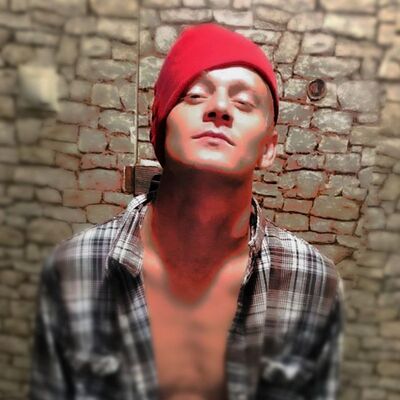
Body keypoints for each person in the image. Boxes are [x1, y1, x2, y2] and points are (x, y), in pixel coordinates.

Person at [30, 23, 344, 400]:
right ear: (159, 123)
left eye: (244, 102)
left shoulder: (314, 282)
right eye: (195, 95)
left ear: (269, 148)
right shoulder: (73, 269)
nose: (220, 108)